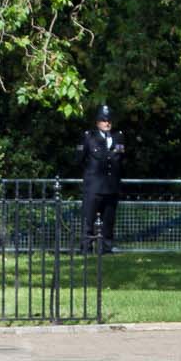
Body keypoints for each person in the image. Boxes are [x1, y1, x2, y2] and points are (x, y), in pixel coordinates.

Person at [76, 103, 124, 252]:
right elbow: (79, 159)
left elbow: (120, 158)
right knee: (88, 221)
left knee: (108, 221)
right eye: (103, 120)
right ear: (97, 122)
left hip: (111, 187)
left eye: (109, 120)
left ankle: (106, 248)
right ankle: (86, 248)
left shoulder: (118, 136)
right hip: (93, 187)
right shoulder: (88, 137)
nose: (107, 123)